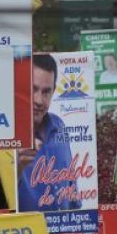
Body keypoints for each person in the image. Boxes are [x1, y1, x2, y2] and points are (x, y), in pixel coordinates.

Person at [17, 54, 81, 212]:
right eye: (33, 89)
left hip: (61, 233)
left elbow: (71, 186)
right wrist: (17, 167)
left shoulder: (59, 126)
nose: (39, 100)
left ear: (54, 92)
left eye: (46, 92)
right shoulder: (6, 136)